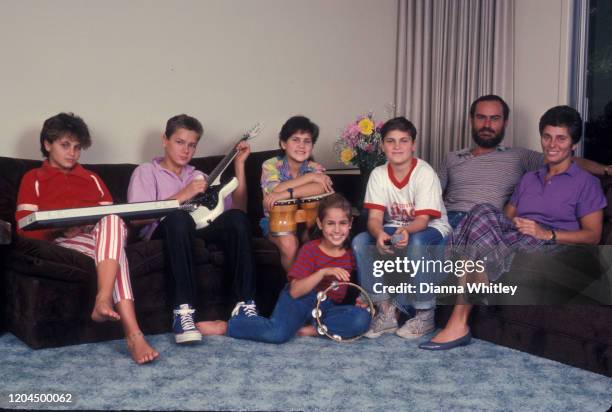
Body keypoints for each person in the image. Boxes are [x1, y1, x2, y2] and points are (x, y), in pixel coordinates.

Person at [420, 106, 607, 350]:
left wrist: (546, 233)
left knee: (478, 244)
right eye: (547, 137)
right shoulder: (530, 178)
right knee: (483, 210)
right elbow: (503, 219)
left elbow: (593, 236)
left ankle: (458, 322)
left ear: (573, 144)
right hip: (517, 237)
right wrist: (507, 228)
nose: (552, 144)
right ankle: (477, 278)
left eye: (561, 138)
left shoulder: (586, 183)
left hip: (552, 244)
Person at [16, 113, 158, 364]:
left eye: (77, 147)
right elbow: (23, 228)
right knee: (118, 255)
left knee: (113, 220)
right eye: (65, 145)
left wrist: (87, 225)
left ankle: (102, 299)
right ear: (48, 144)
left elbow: (110, 218)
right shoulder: (33, 179)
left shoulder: (92, 178)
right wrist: (58, 230)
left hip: (100, 238)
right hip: (66, 244)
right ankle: (134, 334)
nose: (72, 152)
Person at [127, 114, 256, 344]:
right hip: (165, 230)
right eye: (179, 142)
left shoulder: (201, 177)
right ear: (164, 140)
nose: (186, 150)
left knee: (236, 219)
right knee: (179, 219)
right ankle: (183, 313)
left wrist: (239, 165)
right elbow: (136, 219)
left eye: (192, 145)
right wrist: (183, 195)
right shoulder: (146, 172)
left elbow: (239, 209)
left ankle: (244, 308)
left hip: (199, 228)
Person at [439, 95, 611, 229]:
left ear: (505, 123)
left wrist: (604, 169)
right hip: (448, 221)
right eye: (481, 117)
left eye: (495, 118)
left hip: (485, 223)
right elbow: (431, 193)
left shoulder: (519, 156)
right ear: (472, 120)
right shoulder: (451, 158)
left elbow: (563, 158)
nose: (487, 124)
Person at [351, 117, 451, 339]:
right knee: (360, 242)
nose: (397, 146)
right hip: (395, 226)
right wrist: (378, 235)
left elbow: (423, 221)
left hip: (432, 227)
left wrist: (405, 232)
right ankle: (386, 313)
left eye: (403, 141)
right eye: (391, 141)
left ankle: (425, 315)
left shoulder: (424, 173)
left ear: (413, 144)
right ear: (383, 145)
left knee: (415, 242)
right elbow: (375, 219)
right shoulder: (378, 175)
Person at [226, 193, 371, 343]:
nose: (337, 230)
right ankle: (233, 324)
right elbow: (295, 292)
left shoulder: (350, 254)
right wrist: (323, 272)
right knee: (277, 334)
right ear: (320, 224)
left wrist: (362, 299)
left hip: (326, 307)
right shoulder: (310, 250)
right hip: (300, 300)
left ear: (350, 224)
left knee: (362, 318)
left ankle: (313, 328)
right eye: (330, 223)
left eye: (342, 223)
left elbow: (361, 281)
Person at [260, 116, 333, 272]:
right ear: (283, 143)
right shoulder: (271, 164)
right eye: (295, 140)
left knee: (315, 239)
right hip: (276, 219)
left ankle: (318, 286)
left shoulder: (316, 167)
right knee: (289, 243)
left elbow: (323, 188)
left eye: (307, 141)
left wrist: (286, 193)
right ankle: (295, 289)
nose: (301, 145)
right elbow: (274, 190)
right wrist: (309, 178)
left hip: (308, 220)